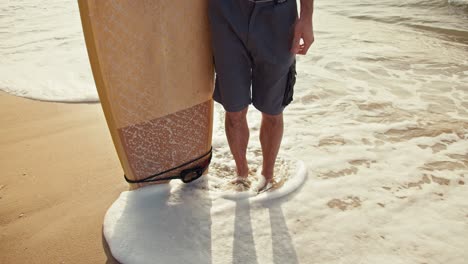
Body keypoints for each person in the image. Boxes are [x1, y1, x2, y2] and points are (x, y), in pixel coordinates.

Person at [208, 0, 314, 192]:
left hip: (278, 15)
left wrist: (307, 16)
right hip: (225, 12)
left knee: (273, 110)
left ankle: (267, 176)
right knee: (234, 109)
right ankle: (241, 174)